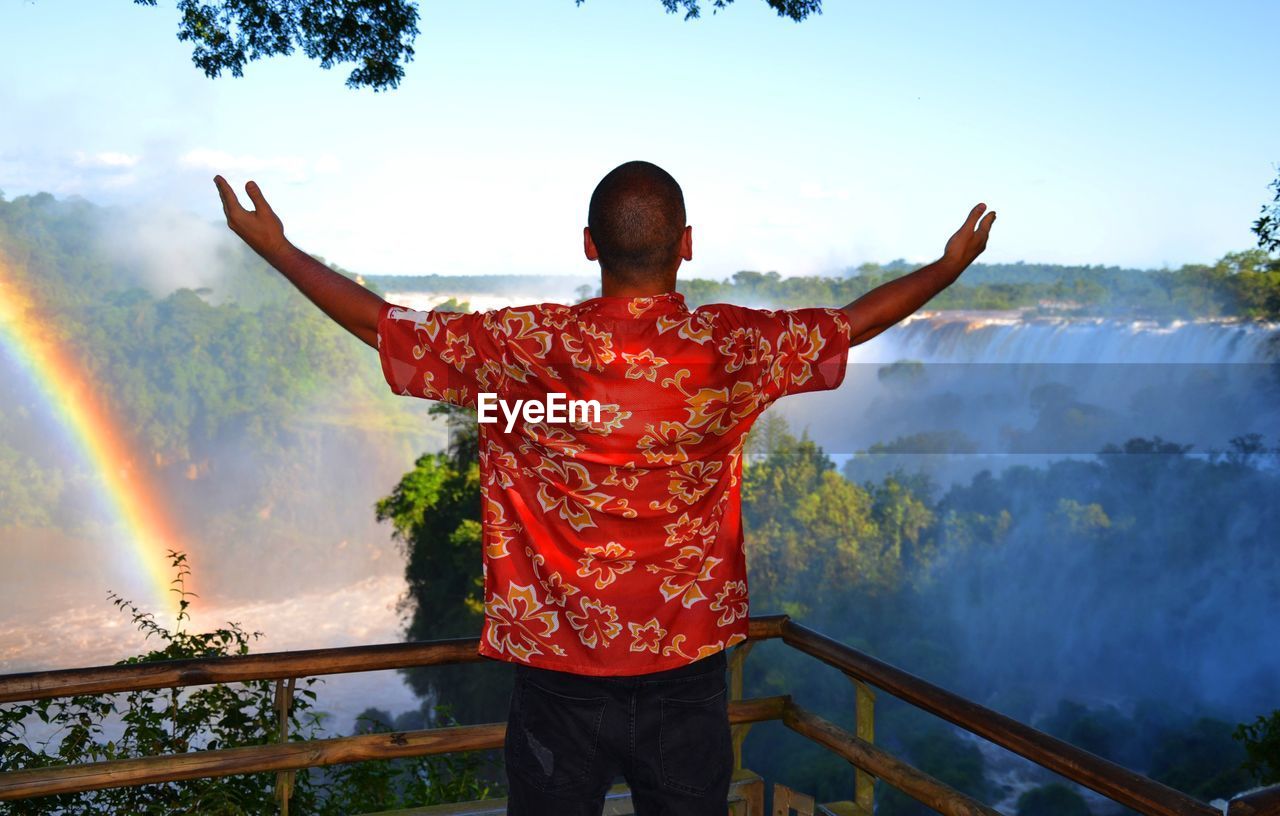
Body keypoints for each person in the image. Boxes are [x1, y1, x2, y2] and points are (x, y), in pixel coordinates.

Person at [213, 161, 994, 815]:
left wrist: (275, 248)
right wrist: (949, 267)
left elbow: (385, 326)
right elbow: (850, 323)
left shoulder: (526, 348)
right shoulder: (732, 348)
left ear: (589, 244)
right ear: (686, 245)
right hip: (688, 683)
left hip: (557, 685)